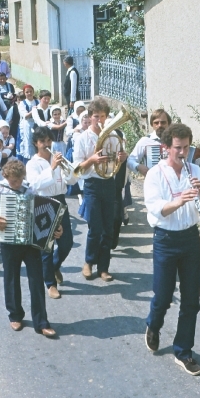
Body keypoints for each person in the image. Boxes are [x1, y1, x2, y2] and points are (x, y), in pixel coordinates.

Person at [144, 123, 200, 376]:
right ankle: (153, 324)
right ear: (166, 147)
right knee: (163, 296)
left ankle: (183, 351)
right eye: (178, 148)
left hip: (190, 238)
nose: (183, 153)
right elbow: (156, 209)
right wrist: (179, 200)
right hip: (165, 239)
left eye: (186, 147)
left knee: (191, 300)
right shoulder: (155, 174)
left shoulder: (194, 169)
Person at [0, 160, 58, 337]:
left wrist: (55, 228)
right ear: (6, 177)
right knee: (11, 278)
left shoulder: (30, 190)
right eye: (14, 181)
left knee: (36, 280)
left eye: (20, 180)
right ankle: (15, 315)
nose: (18, 184)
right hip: (8, 242)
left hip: (30, 243)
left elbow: (44, 212)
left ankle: (41, 322)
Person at [73, 97, 127, 282]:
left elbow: (116, 162)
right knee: (95, 228)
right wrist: (92, 161)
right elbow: (78, 168)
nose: (100, 120)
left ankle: (103, 268)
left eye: (103, 116)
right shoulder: (82, 138)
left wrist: (121, 157)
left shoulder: (112, 136)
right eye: (96, 116)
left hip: (109, 183)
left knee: (108, 229)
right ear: (90, 117)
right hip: (92, 185)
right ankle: (89, 262)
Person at [26, 127, 75, 299]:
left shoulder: (56, 156)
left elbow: (72, 180)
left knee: (67, 242)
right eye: (42, 142)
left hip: (60, 199)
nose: (47, 144)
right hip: (43, 202)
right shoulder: (32, 163)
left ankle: (54, 267)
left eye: (49, 141)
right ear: (36, 144)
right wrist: (52, 168)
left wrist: (67, 168)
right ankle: (50, 284)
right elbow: (35, 185)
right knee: (46, 246)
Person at [128, 109, 200, 176]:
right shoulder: (145, 141)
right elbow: (130, 160)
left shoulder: (176, 140)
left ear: (168, 123)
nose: (160, 125)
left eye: (163, 122)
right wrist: (138, 166)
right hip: (155, 182)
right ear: (152, 125)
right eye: (156, 123)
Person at [16, 85, 39, 164]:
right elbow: (25, 116)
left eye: (30, 91)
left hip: (37, 124)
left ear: (33, 92)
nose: (29, 93)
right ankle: (27, 162)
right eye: (27, 92)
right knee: (28, 143)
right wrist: (34, 110)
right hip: (27, 125)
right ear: (24, 93)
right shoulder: (22, 104)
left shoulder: (37, 102)